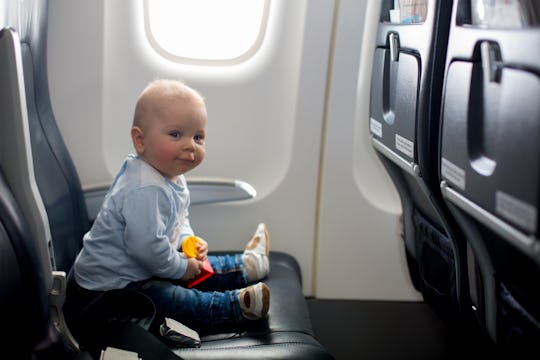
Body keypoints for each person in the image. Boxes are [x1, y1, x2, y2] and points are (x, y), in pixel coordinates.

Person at [65, 79, 270, 334]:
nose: (190, 145)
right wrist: (182, 267)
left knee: (199, 266)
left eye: (198, 137)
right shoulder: (144, 188)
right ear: (140, 140)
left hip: (143, 269)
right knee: (171, 297)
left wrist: (187, 241)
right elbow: (147, 248)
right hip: (106, 292)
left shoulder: (171, 175)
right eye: (176, 134)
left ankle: (249, 265)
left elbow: (179, 218)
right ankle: (235, 307)